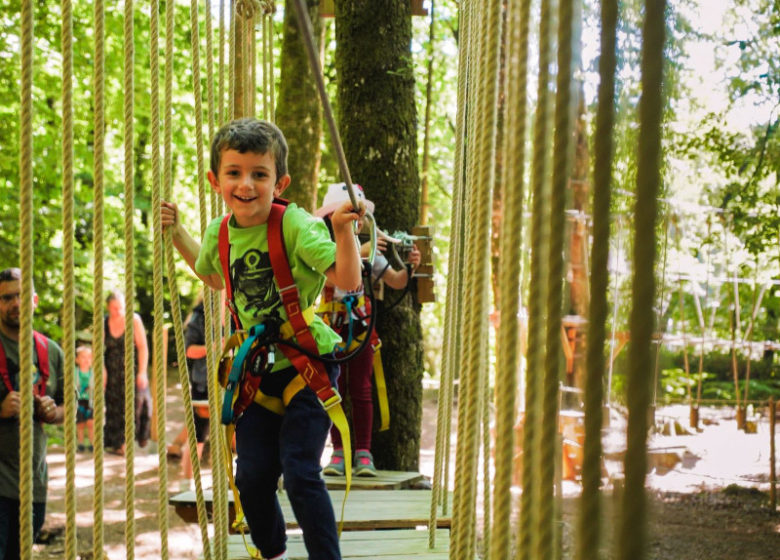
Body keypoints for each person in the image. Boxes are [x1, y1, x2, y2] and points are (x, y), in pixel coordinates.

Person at [160, 117, 364, 560]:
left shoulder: (296, 225)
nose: (246, 184)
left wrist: (343, 231)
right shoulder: (220, 231)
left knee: (300, 471)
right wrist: (178, 233)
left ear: (280, 181)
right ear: (216, 180)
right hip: (256, 368)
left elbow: (346, 278)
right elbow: (213, 276)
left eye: (259, 174)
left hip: (306, 362)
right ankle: (272, 549)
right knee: (251, 475)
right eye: (234, 173)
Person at [314, 183, 420, 477]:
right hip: (330, 331)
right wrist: (358, 251)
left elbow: (396, 281)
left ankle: (363, 453)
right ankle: (338, 451)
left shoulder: (369, 250)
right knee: (333, 390)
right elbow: (319, 280)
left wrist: (410, 268)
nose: (357, 221)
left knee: (361, 389)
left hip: (360, 329)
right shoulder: (320, 246)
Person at [0, 268, 65, 558]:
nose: (15, 303)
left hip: (32, 483)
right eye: (6, 298)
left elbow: (71, 407)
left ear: (34, 300)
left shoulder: (50, 351)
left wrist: (53, 412)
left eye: (21, 296)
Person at [167, 296, 210, 492]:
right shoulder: (199, 316)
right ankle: (187, 484)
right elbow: (189, 350)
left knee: (238, 432)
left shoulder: (239, 305)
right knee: (197, 433)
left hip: (233, 379)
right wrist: (215, 347)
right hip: (204, 380)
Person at [103, 290, 151, 456]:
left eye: (120, 308)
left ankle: (132, 440)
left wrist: (142, 372)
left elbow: (143, 347)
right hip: (113, 372)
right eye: (114, 308)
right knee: (114, 406)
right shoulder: (104, 323)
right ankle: (118, 444)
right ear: (108, 307)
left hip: (132, 370)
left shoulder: (133, 320)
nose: (117, 312)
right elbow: (100, 351)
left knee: (135, 405)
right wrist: (102, 372)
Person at [75, 345, 95, 453]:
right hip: (79, 401)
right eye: (83, 357)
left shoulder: (94, 373)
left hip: (91, 400)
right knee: (80, 423)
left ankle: (92, 443)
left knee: (91, 423)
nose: (86, 360)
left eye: (89, 357)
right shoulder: (75, 372)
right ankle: (81, 443)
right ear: (77, 360)